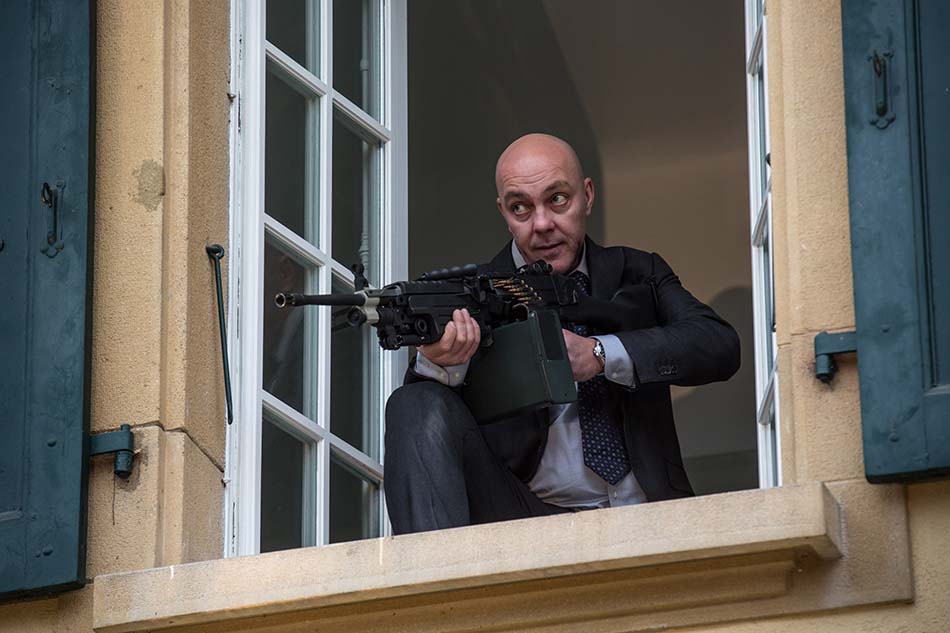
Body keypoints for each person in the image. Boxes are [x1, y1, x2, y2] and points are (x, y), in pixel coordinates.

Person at [384, 133, 740, 535]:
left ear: (587, 195)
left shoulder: (639, 272)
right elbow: (423, 434)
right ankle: (433, 573)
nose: (541, 225)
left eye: (557, 199)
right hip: (521, 519)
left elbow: (719, 344)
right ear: (503, 212)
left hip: (649, 515)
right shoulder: (474, 294)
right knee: (412, 402)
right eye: (520, 207)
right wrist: (437, 365)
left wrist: (601, 354)